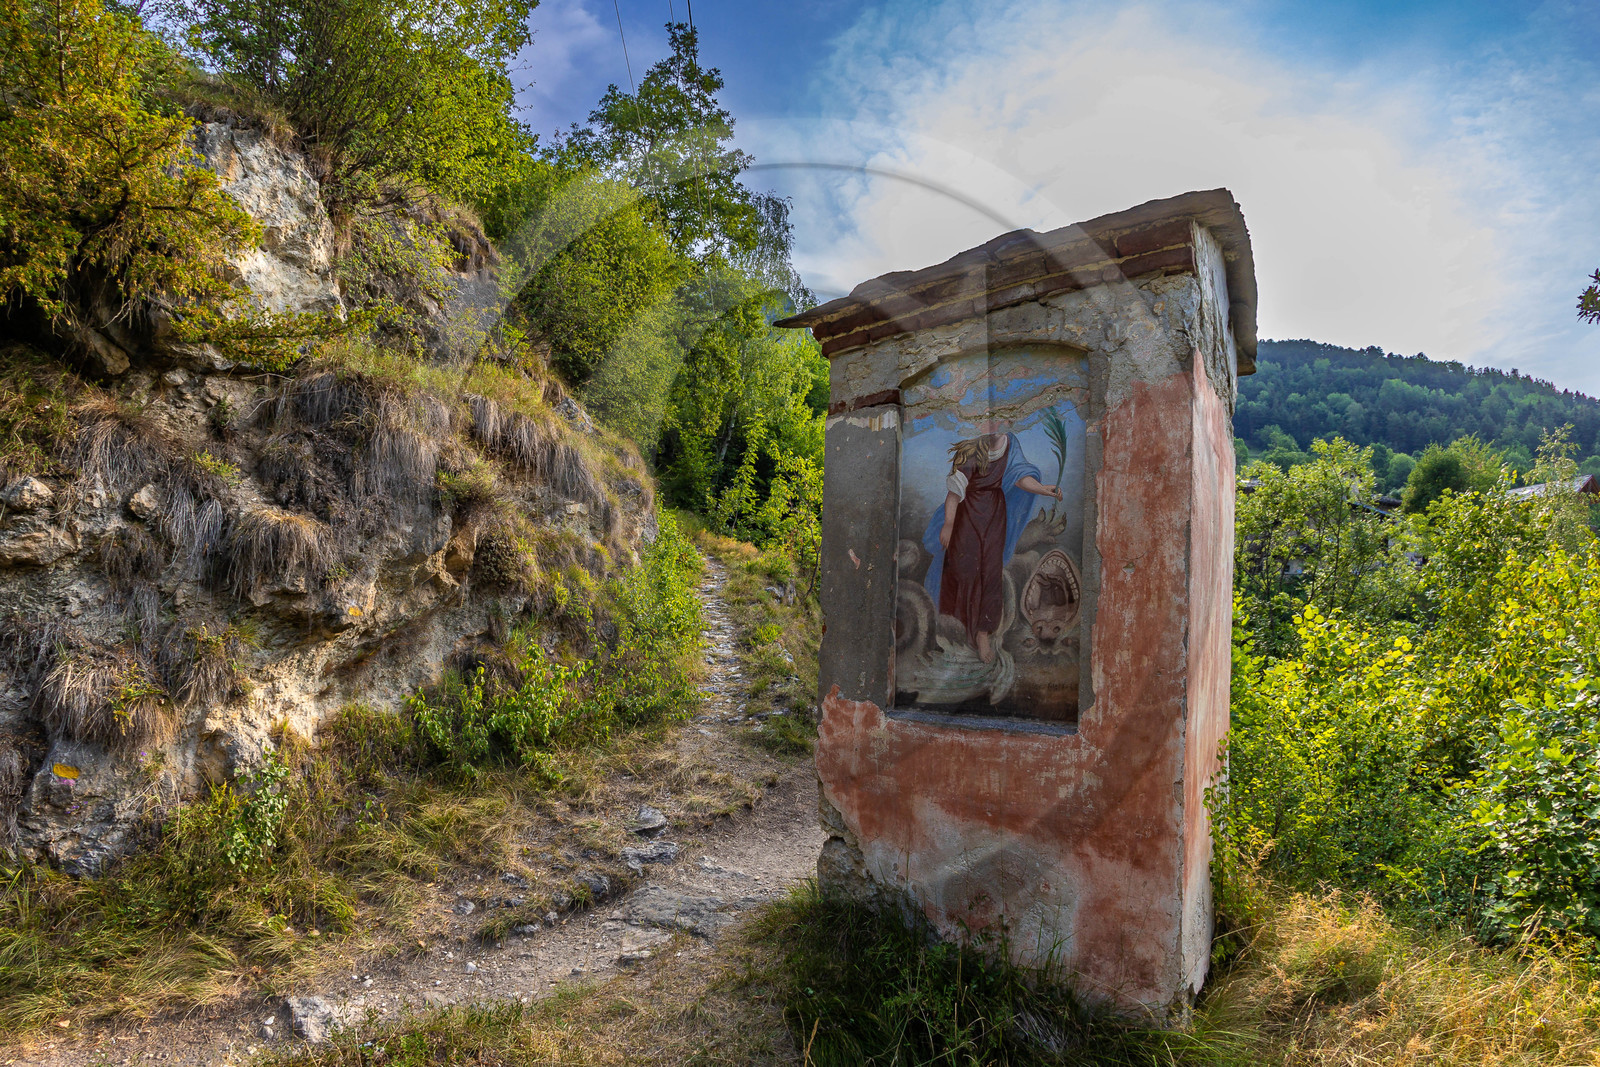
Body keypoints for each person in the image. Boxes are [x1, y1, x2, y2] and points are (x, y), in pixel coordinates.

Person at [922, 430, 1062, 663]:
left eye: (1001, 420)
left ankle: (982, 633)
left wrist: (1043, 489)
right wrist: (948, 524)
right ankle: (952, 630)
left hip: (995, 518)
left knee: (990, 574)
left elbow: (1019, 476)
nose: (995, 424)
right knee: (962, 570)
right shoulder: (972, 451)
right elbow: (954, 494)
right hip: (968, 520)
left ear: (1007, 422)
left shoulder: (1010, 444)